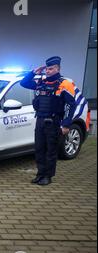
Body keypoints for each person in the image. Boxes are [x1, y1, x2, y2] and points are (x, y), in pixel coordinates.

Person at [20, 56, 77, 186]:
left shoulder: (64, 84)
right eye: (47, 69)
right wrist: (34, 72)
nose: (48, 71)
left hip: (54, 121)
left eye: (51, 69)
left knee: (50, 151)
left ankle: (48, 176)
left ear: (58, 68)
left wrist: (66, 123)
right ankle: (40, 174)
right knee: (39, 149)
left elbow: (71, 105)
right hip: (40, 120)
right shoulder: (41, 82)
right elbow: (23, 83)